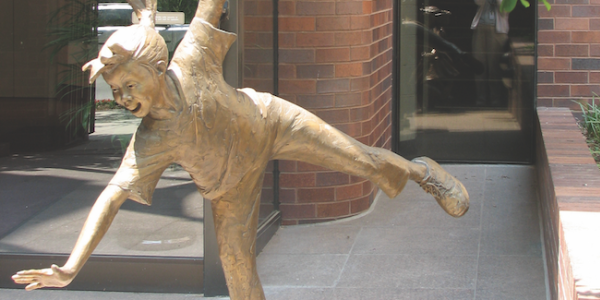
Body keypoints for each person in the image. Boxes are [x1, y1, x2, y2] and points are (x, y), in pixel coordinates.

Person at [12, 0, 469, 299]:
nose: (124, 98)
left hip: (269, 121)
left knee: (360, 158)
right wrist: (71, 266)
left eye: (129, 85)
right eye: (115, 92)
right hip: (230, 188)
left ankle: (420, 172)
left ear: (158, 67)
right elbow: (110, 197)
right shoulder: (151, 141)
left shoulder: (191, 54)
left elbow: (211, 3)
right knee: (237, 269)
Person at [471, 0, 510, 106]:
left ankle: (495, 98)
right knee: (479, 62)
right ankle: (481, 97)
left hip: (497, 30)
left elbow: (505, 8)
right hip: (480, 27)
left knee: (494, 65)